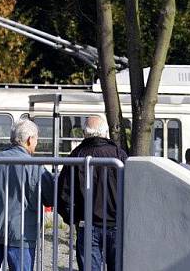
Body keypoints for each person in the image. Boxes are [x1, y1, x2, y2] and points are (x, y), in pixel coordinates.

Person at [0, 118, 53, 271]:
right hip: (22, 233)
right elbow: (50, 197)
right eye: (36, 139)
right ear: (30, 140)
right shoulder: (35, 166)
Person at [58, 116, 128, 271]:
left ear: (85, 133)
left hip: (86, 224)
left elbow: (64, 192)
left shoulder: (76, 155)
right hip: (116, 224)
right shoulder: (119, 155)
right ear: (105, 133)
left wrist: (73, 218)